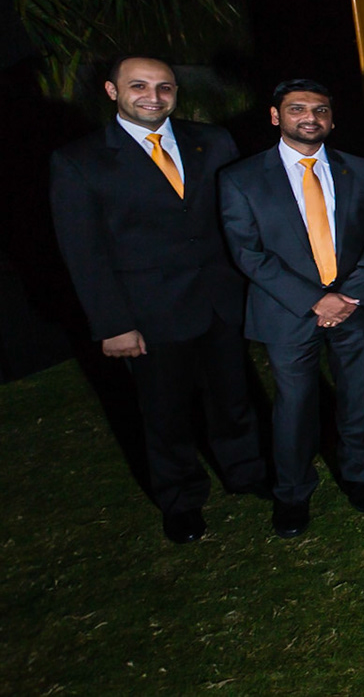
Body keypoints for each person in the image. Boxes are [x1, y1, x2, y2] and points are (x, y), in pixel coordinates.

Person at [49, 56, 266, 543]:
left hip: (220, 300)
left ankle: (246, 472)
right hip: (148, 313)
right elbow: (83, 252)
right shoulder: (78, 160)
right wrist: (112, 324)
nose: (153, 96)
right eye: (139, 86)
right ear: (112, 91)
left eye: (164, 87)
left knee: (234, 396)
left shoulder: (213, 140)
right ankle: (181, 499)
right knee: (164, 413)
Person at [219, 80, 364, 538]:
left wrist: (349, 296)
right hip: (287, 311)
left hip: (355, 306)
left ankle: (358, 476)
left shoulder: (363, 171)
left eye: (320, 110)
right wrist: (315, 300)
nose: (310, 118)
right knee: (294, 405)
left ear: (332, 120)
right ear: (275, 116)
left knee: (358, 396)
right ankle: (293, 493)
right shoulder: (241, 178)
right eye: (297, 109)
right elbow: (247, 253)